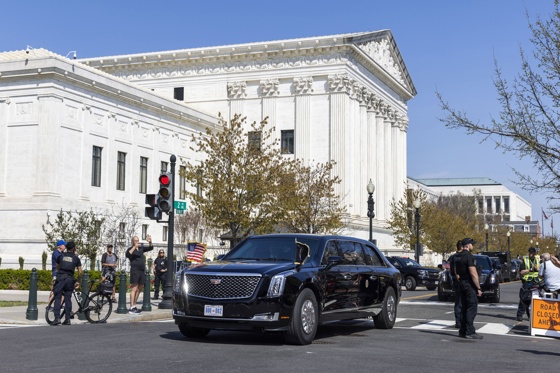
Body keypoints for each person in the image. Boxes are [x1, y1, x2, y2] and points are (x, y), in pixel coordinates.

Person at [452, 237, 483, 339]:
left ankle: (463, 330)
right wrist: (478, 287)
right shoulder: (469, 257)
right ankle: (469, 331)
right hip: (469, 285)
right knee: (471, 307)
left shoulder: (457, 256)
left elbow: (456, 271)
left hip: (461, 284)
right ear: (468, 245)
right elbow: (473, 273)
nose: (473, 246)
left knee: (464, 307)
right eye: (472, 244)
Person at [52, 241, 82, 326]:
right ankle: (67, 319)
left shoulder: (61, 256)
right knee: (68, 299)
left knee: (58, 298)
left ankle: (57, 318)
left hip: (61, 279)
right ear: (73, 248)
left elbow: (57, 268)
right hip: (70, 280)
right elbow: (80, 272)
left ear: (67, 248)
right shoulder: (76, 258)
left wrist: (55, 277)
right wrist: (78, 281)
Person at [125, 235, 153, 314]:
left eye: (138, 240)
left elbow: (150, 248)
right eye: (135, 240)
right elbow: (128, 255)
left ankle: (134, 305)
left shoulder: (141, 248)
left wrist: (150, 241)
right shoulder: (130, 249)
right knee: (134, 287)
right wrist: (134, 247)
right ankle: (131, 307)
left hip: (141, 270)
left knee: (140, 287)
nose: (137, 242)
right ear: (132, 241)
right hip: (135, 270)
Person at [516, 247, 540, 321]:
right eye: (530, 252)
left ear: (535, 253)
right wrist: (530, 270)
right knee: (524, 298)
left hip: (536, 281)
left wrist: (537, 269)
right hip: (527, 282)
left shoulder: (538, 260)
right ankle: (520, 315)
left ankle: (535, 315)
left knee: (537, 298)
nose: (531, 254)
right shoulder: (525, 260)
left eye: (532, 253)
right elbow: (521, 272)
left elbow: (541, 270)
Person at [448, 240, 463, 328]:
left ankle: (458, 321)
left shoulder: (452, 257)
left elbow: (448, 267)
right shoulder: (463, 256)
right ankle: (461, 321)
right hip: (462, 281)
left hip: (455, 281)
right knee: (463, 302)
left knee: (458, 302)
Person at [48, 240, 66, 304]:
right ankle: (49, 304)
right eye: (64, 245)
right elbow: (59, 262)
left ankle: (60, 304)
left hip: (62, 273)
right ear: (60, 246)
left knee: (62, 290)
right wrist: (54, 276)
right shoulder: (56, 253)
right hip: (56, 273)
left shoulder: (62, 253)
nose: (65, 246)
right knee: (55, 290)